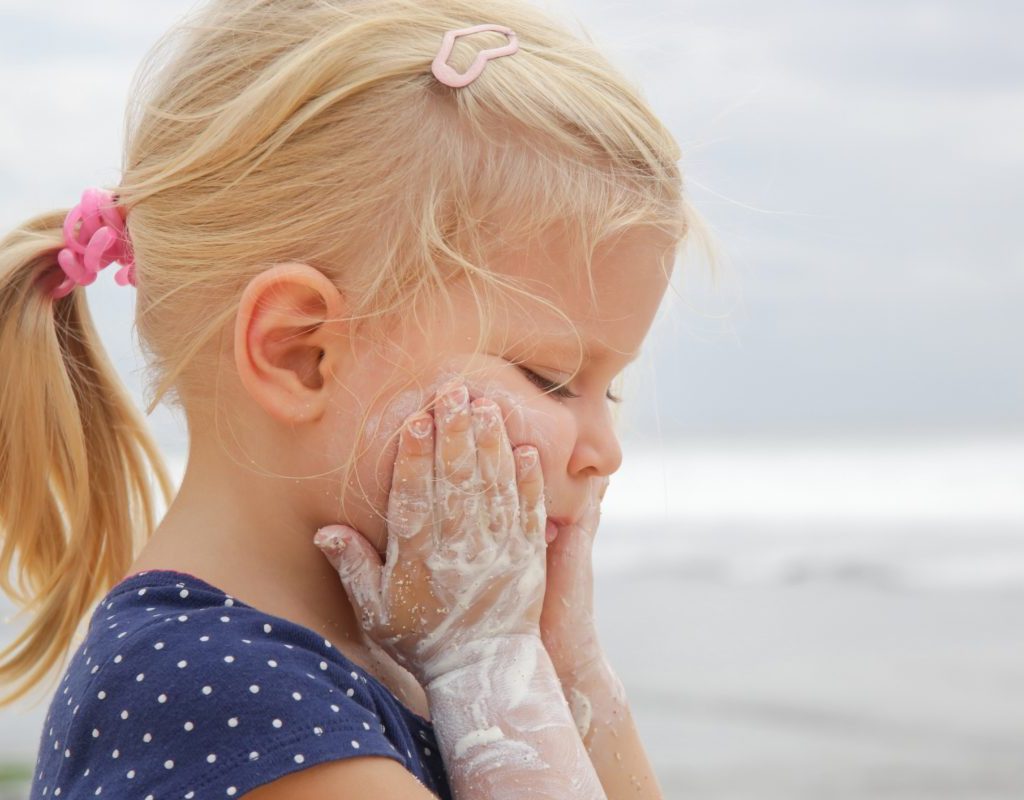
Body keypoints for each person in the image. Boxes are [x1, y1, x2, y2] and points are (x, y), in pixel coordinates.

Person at [0, 0, 716, 797]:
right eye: (551, 379)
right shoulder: (215, 699)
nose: (605, 449)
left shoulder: (394, 656)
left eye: (609, 387)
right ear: (302, 353)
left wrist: (564, 665)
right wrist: (489, 669)